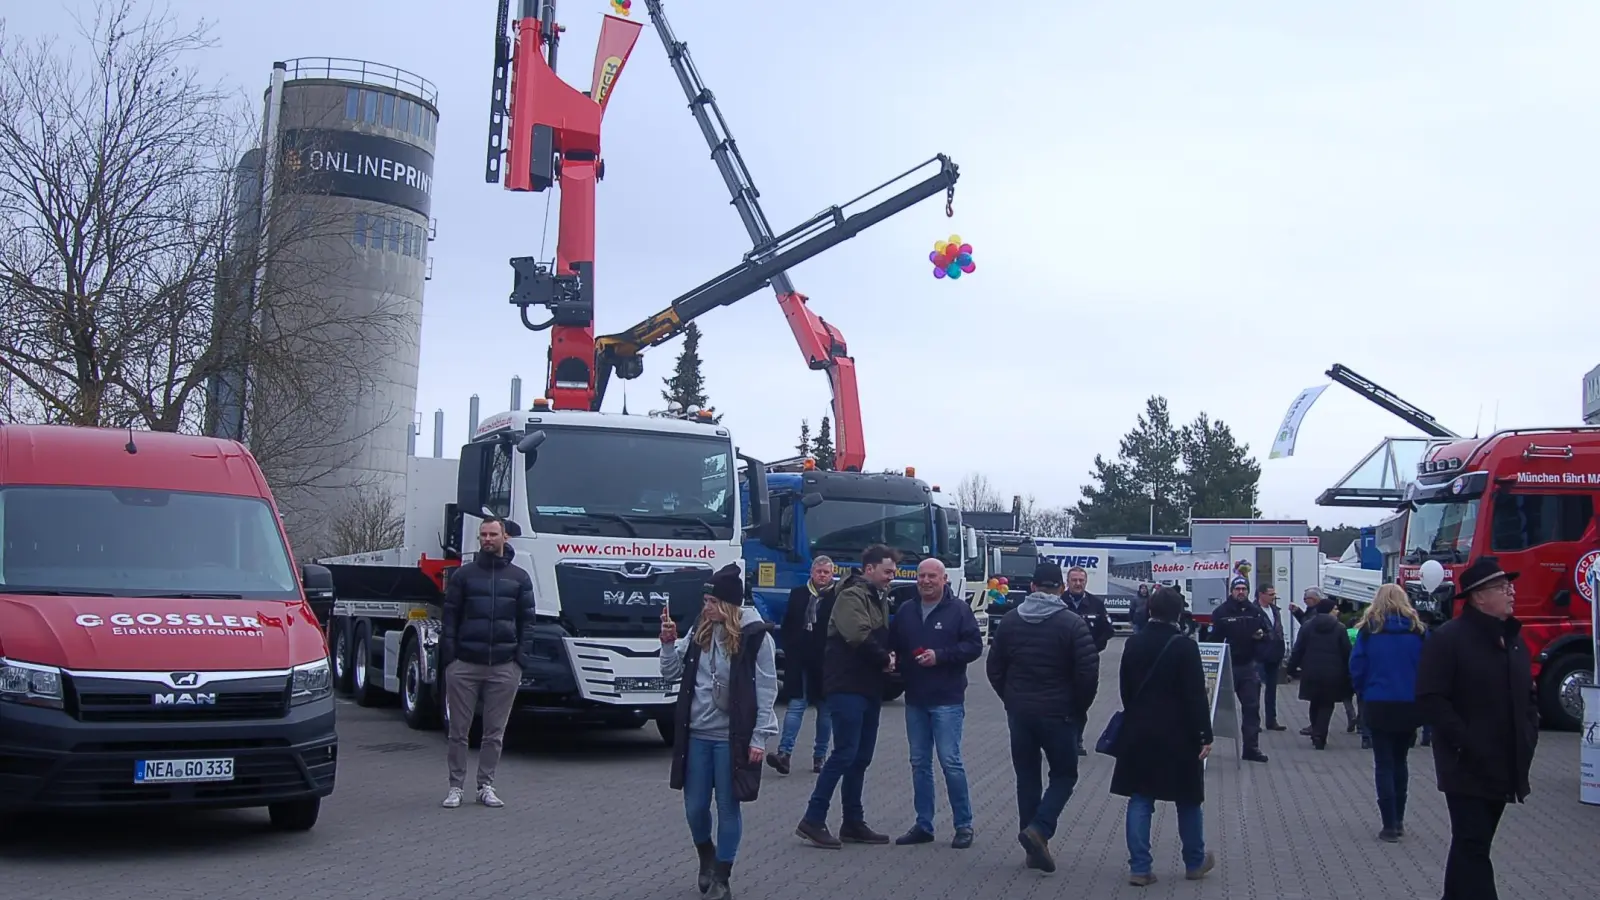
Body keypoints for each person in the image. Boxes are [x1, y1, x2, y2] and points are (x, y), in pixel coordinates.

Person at [1416, 558, 1539, 900]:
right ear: (1478, 596)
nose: (1511, 592)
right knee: (1473, 843)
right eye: (1502, 587)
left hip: (1505, 762)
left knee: (1472, 844)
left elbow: (1528, 694)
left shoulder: (1512, 638)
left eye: (1509, 586)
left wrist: (1529, 730)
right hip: (1466, 765)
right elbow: (1430, 697)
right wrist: (1465, 741)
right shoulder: (1449, 639)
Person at [660, 564, 779, 900]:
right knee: (695, 807)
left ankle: (722, 877)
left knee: (728, 807)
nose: (706, 607)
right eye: (705, 601)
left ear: (728, 605)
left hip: (731, 738)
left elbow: (767, 689)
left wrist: (760, 737)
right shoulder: (699, 631)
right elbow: (670, 673)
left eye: (712, 602)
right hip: (696, 735)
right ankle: (706, 856)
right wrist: (667, 643)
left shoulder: (756, 637)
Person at [986, 561, 1100, 874]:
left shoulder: (1010, 621)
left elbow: (994, 668)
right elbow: (1088, 673)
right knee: (1064, 775)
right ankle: (1039, 829)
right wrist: (1078, 709)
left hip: (1020, 713)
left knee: (1027, 777)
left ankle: (1033, 845)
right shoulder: (1072, 624)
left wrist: (1011, 699)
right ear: (1061, 589)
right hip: (1059, 713)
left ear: (1032, 587)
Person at [1109, 586, 1217, 886]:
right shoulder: (1185, 647)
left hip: (1139, 730)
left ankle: (1140, 867)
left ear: (1149, 610)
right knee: (1188, 798)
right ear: (1178, 614)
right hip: (1180, 733)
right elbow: (1196, 696)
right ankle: (1194, 862)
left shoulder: (1133, 643)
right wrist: (1204, 733)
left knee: (1140, 797)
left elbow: (1125, 688)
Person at [795, 544, 899, 849]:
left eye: (893, 572)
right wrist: (885, 659)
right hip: (847, 686)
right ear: (869, 569)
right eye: (887, 571)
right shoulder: (852, 595)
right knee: (844, 753)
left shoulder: (878, 596)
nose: (891, 577)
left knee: (861, 757)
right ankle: (813, 818)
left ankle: (853, 822)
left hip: (869, 687)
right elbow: (858, 635)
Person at [439, 516, 535, 809]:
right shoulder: (464, 576)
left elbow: (528, 622)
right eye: (483, 534)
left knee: (494, 733)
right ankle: (455, 787)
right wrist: (451, 660)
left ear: (505, 537)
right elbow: (449, 617)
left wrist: (519, 661)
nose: (487, 539)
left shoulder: (519, 578)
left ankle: (485, 786)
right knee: (458, 731)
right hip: (465, 665)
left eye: (493, 534)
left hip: (504, 666)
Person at [888, 558, 983, 849]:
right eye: (921, 576)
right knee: (919, 763)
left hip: (947, 699)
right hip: (915, 698)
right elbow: (894, 644)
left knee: (950, 762)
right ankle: (923, 824)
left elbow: (974, 646)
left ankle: (963, 825)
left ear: (944, 580)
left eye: (932, 576)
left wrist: (940, 656)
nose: (926, 581)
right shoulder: (906, 610)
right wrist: (891, 658)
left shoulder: (959, 610)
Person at [1349, 583, 1428, 842]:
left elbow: (1357, 666)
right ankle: (1400, 819)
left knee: (1383, 763)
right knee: (1400, 761)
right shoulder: (1418, 632)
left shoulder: (1369, 631)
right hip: (1409, 703)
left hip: (1378, 701)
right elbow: (1429, 666)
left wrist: (1363, 691)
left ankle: (1389, 824)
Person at [771, 556, 837, 775]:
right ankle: (784, 754)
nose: (822, 576)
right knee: (796, 705)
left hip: (826, 663)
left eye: (826, 572)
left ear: (832, 574)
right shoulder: (798, 594)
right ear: (812, 572)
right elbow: (788, 624)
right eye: (819, 571)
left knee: (825, 711)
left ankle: (820, 757)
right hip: (799, 661)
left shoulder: (837, 597)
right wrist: (791, 649)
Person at [1209, 576, 1270, 763]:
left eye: (1244, 589)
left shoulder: (1255, 612)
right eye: (1238, 589)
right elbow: (1211, 641)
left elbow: (1267, 635)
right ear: (1231, 591)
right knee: (1211, 708)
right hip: (1225, 667)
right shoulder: (1221, 612)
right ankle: (1201, 747)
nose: (1241, 592)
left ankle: (1251, 748)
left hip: (1248, 667)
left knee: (1252, 708)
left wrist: (1261, 639)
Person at [1285, 593, 1353, 750]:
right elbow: (1346, 652)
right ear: (1328, 610)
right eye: (1335, 609)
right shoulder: (1340, 628)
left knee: (1314, 701)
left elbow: (1298, 649)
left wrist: (1291, 669)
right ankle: (1320, 734)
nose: (1337, 611)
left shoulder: (1307, 626)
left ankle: (1315, 728)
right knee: (1327, 704)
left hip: (1311, 671)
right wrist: (1349, 671)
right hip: (1333, 673)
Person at [1060, 564, 1114, 755]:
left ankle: (1077, 738)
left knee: (1082, 701)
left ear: (1086, 581)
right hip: (1062, 663)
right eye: (1074, 580)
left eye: (1081, 580)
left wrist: (1092, 648)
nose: (1078, 583)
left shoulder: (1096, 604)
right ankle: (1063, 739)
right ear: (1067, 582)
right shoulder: (1059, 602)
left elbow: (1107, 631)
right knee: (1061, 701)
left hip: (1087, 664)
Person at [1254, 584, 1289, 732]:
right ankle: (1254, 721)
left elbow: (1278, 629)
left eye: (1274, 594)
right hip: (1259, 654)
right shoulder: (1254, 610)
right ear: (1261, 594)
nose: (1273, 597)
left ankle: (1271, 720)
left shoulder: (1275, 610)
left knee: (1272, 689)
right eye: (1270, 594)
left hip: (1274, 653)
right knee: (1255, 688)